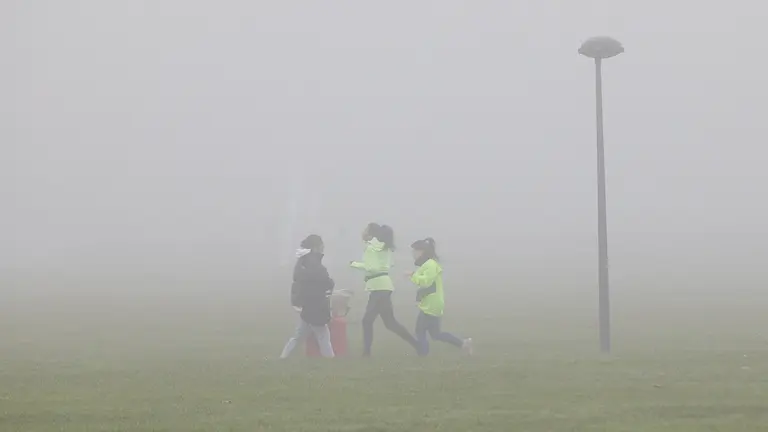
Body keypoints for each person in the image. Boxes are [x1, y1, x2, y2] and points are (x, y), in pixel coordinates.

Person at [350, 223, 419, 356]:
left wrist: (354, 264)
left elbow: (372, 267)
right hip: (384, 286)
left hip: (378, 288)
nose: (363, 232)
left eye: (366, 230)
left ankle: (366, 353)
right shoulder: (385, 248)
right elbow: (388, 264)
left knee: (368, 320)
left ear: (371, 234)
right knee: (389, 323)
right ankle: (417, 345)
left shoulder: (371, 248)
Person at [407, 238, 472, 356]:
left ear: (421, 251)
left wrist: (412, 276)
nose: (413, 254)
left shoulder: (430, 265)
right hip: (432, 303)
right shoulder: (427, 265)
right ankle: (463, 344)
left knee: (420, 330)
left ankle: (423, 354)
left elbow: (426, 282)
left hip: (431, 304)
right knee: (436, 334)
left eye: (415, 251)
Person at [280, 234, 335, 359]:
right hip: (315, 305)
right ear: (316, 247)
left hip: (307, 305)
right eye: (321, 245)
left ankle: (284, 357)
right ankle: (331, 361)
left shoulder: (303, 262)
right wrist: (330, 282)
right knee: (323, 336)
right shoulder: (314, 264)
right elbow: (323, 280)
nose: (323, 247)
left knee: (298, 336)